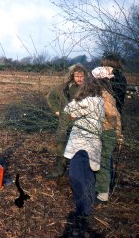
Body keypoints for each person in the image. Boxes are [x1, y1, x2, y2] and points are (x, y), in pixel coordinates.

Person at [63, 76, 105, 217]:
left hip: (82, 145)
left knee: (77, 176)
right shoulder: (99, 101)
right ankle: (87, 205)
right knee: (87, 176)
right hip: (91, 144)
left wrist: (77, 99)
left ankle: (83, 209)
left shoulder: (89, 101)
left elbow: (68, 109)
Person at [46, 64, 88, 178]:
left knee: (79, 148)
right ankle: (59, 170)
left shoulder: (88, 89)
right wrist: (56, 111)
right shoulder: (64, 87)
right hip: (65, 123)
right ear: (72, 76)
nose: (79, 78)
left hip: (81, 124)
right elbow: (51, 96)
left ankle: (77, 172)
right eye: (77, 76)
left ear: (85, 76)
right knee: (61, 146)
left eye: (82, 76)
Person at [92, 67, 122, 203]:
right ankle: (102, 187)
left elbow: (112, 114)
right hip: (107, 131)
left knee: (103, 161)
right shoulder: (105, 93)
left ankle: (102, 194)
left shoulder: (103, 94)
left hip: (106, 132)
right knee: (104, 160)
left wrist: (109, 126)